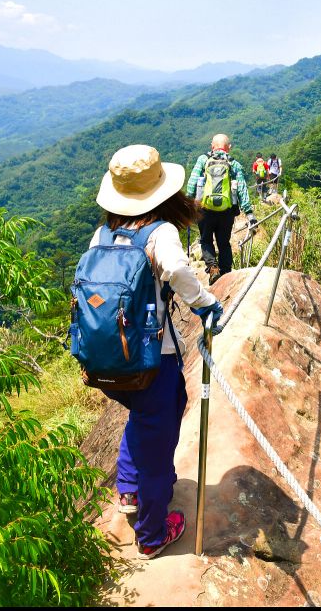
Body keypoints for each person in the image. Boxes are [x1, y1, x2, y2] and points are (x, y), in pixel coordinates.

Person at [91, 144, 223, 560]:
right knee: (160, 440)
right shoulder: (159, 232)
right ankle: (151, 534)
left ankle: (127, 489)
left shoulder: (105, 232)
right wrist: (205, 303)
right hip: (152, 358)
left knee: (143, 417)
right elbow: (180, 272)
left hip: (108, 359)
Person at [186, 134, 257, 281]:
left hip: (205, 210)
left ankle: (213, 268)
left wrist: (188, 204)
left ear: (212, 146)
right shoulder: (234, 164)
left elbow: (192, 183)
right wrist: (249, 213)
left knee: (205, 240)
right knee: (224, 243)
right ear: (229, 147)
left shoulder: (203, 160)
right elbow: (242, 188)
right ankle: (226, 274)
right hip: (227, 211)